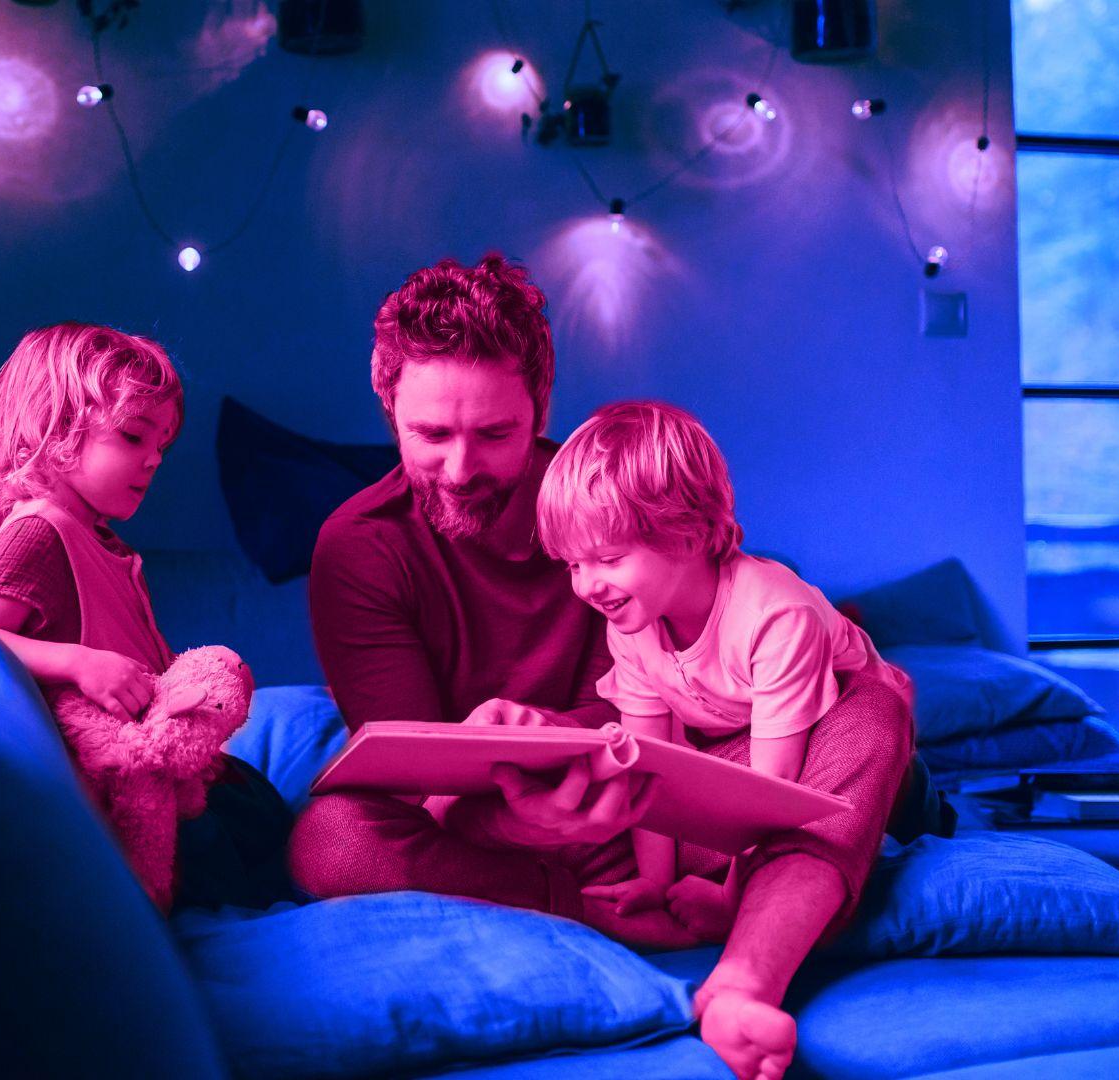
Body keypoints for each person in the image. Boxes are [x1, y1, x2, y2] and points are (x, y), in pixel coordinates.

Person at [290, 258, 926, 1080]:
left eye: (495, 434)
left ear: (540, 412)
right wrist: (527, 819)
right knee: (331, 837)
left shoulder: (610, 502)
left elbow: (679, 701)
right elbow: (417, 783)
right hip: (501, 837)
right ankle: (626, 919)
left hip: (671, 799)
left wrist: (564, 745)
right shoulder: (360, 547)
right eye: (430, 436)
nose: (460, 468)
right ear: (389, 412)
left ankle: (743, 972)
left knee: (871, 710)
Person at [537, 399, 916, 1080]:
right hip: (747, 757)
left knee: (877, 707)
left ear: (685, 536)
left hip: (849, 767)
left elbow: (770, 797)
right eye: (572, 564)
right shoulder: (630, 622)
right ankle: (706, 904)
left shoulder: (775, 614)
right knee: (606, 771)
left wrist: (726, 895)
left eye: (608, 559)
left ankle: (742, 980)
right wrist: (657, 880)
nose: (587, 585)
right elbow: (651, 762)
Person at [0, 322, 294, 911]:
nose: (152, 461)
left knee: (265, 809)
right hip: (122, 791)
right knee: (252, 843)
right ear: (54, 428)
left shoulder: (95, 537)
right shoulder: (40, 530)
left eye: (161, 446)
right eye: (134, 436)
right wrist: (77, 661)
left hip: (162, 765)